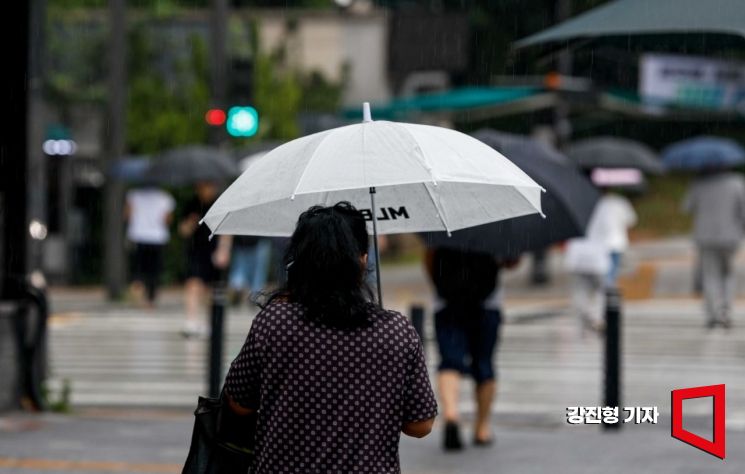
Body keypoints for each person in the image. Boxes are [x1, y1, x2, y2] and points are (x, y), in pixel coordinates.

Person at [223, 202, 437, 473]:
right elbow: (420, 425)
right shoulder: (395, 331)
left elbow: (238, 404)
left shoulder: (275, 323)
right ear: (362, 259)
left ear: (299, 260)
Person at [425, 247, 512, 451]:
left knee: (449, 361)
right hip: (487, 302)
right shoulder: (495, 224)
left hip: (447, 301)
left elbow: (429, 259)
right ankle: (482, 428)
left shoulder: (442, 224)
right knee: (484, 363)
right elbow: (510, 261)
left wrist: (442, 284)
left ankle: (451, 415)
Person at [682, 169, 745, 329]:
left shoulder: (698, 182)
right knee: (728, 274)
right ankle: (726, 312)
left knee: (710, 275)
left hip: (705, 236)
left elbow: (687, 207)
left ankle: (713, 314)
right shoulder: (736, 182)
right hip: (730, 236)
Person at [178, 181, 231, 337]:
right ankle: (191, 320)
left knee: (211, 289)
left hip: (214, 250)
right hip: (195, 250)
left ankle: (210, 323)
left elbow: (226, 230)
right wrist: (190, 222)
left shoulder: (220, 204)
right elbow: (183, 231)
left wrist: (224, 250)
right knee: (193, 284)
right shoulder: (192, 204)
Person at [124, 185, 175, 308]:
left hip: (138, 235)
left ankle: (137, 289)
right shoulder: (166, 198)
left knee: (139, 267)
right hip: (157, 237)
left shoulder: (134, 195)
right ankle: (151, 299)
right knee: (154, 270)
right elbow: (167, 219)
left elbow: (127, 215)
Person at [585, 190, 638, 288]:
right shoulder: (622, 202)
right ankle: (609, 286)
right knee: (613, 266)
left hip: (602, 242)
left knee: (606, 267)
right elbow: (631, 221)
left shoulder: (599, 203)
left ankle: (607, 285)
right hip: (617, 240)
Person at [227, 236, 271, 306]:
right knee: (257, 272)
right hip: (247, 241)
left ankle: (240, 288)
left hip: (248, 241)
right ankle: (252, 294)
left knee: (244, 269)